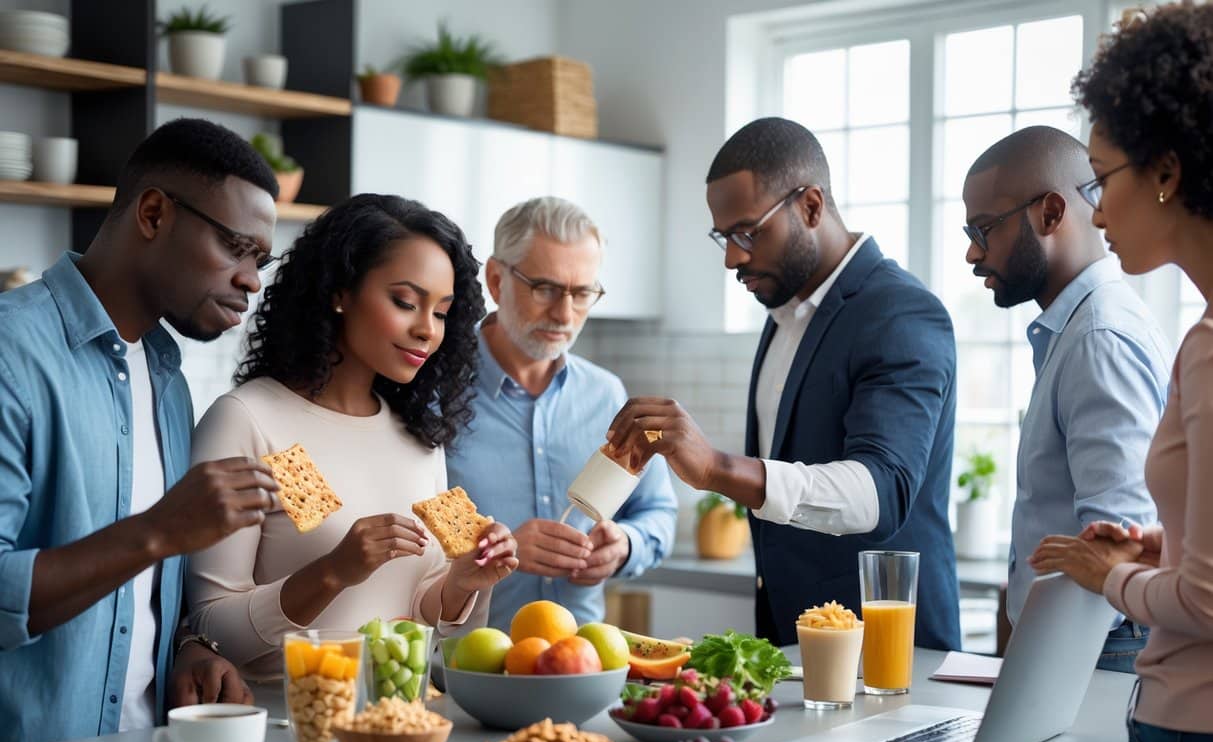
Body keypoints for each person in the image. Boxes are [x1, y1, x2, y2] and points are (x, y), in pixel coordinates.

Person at [609, 117, 961, 649]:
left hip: (890, 659)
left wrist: (717, 467)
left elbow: (879, 493)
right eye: (723, 237)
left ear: (811, 207)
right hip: (794, 649)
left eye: (748, 232)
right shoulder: (785, 315)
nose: (733, 257)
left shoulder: (900, 312)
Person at [0, 118, 282, 742]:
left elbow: (142, 592)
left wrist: (188, 647)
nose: (252, 280)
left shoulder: (169, 382)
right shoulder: (10, 355)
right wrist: (160, 531)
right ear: (153, 214)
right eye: (236, 247)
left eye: (261, 259)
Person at [186, 194, 519, 680]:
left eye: (442, 312)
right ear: (340, 292)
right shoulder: (253, 422)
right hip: (285, 726)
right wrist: (332, 571)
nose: (426, 329)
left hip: (397, 724)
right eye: (405, 302)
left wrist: (463, 583)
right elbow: (211, 628)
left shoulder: (418, 440)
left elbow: (422, 617)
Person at [1027, 4, 1213, 742]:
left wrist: (1110, 576)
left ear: (1166, 170)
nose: (1095, 211)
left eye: (1102, 178)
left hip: (1193, 740)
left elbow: (1207, 604)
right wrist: (1160, 549)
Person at [962, 126, 1171, 671]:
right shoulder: (1077, 329)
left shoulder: (1098, 338)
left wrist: (1035, 663)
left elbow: (1112, 545)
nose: (971, 252)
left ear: (1051, 213)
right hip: (1078, 645)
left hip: (1096, 650)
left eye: (983, 229)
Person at [445, 197, 677, 630]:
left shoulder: (606, 395)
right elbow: (406, 530)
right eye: (546, 289)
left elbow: (658, 512)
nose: (564, 314)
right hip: (462, 668)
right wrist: (501, 547)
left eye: (583, 292)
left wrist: (625, 545)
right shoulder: (434, 392)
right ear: (496, 280)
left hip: (583, 665)